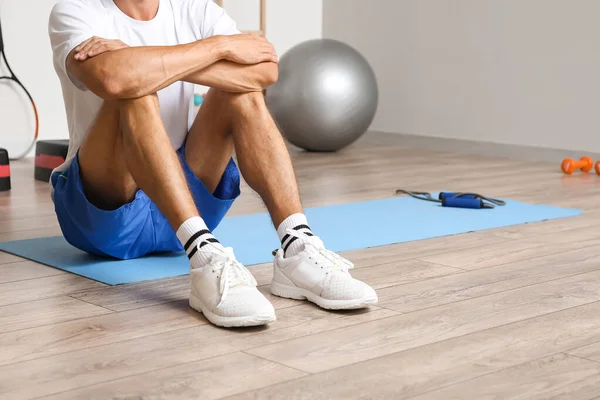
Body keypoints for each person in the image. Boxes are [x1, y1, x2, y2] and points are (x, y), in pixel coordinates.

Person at [48, 0, 378, 328]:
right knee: (134, 91)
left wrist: (140, 58)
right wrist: (220, 48)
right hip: (104, 216)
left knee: (242, 91)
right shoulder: (77, 11)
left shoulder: (197, 10)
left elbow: (264, 71)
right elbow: (113, 79)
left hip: (184, 199)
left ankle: (298, 245)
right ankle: (205, 255)